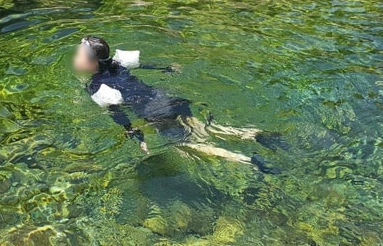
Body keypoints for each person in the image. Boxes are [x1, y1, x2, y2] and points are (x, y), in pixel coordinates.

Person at [74, 35, 281, 174]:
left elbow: (118, 114)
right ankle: (254, 135)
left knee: (192, 145)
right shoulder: (118, 63)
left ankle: (247, 160)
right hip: (167, 98)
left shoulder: (96, 86)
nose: (76, 58)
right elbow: (144, 65)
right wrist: (167, 68)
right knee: (206, 128)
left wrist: (137, 136)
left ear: (92, 63)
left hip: (155, 113)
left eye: (79, 55)